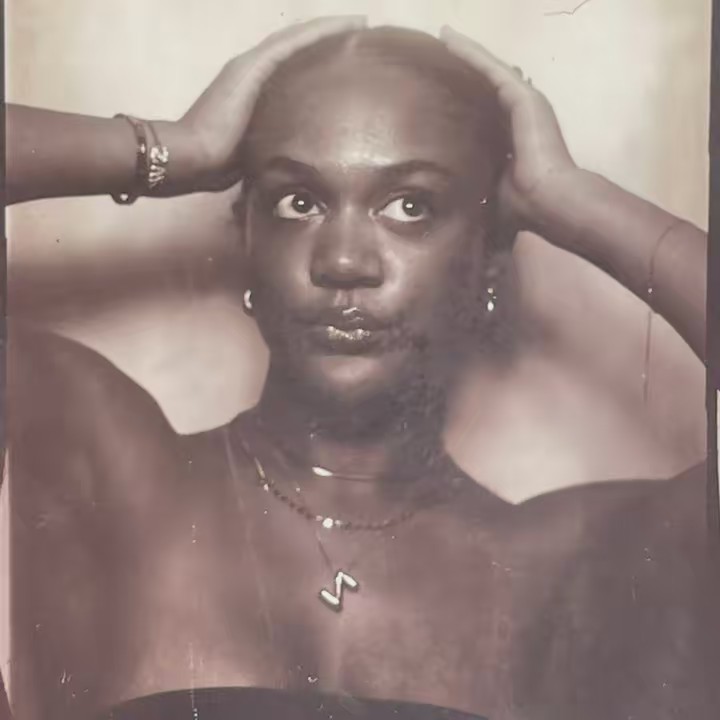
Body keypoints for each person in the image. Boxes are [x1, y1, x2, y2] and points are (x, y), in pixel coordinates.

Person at [4, 16, 718, 720]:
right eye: (298, 201)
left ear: (487, 257)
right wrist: (170, 149)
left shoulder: (566, 569)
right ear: (247, 237)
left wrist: (567, 195)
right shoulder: (107, 468)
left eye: (411, 205)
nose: (343, 261)